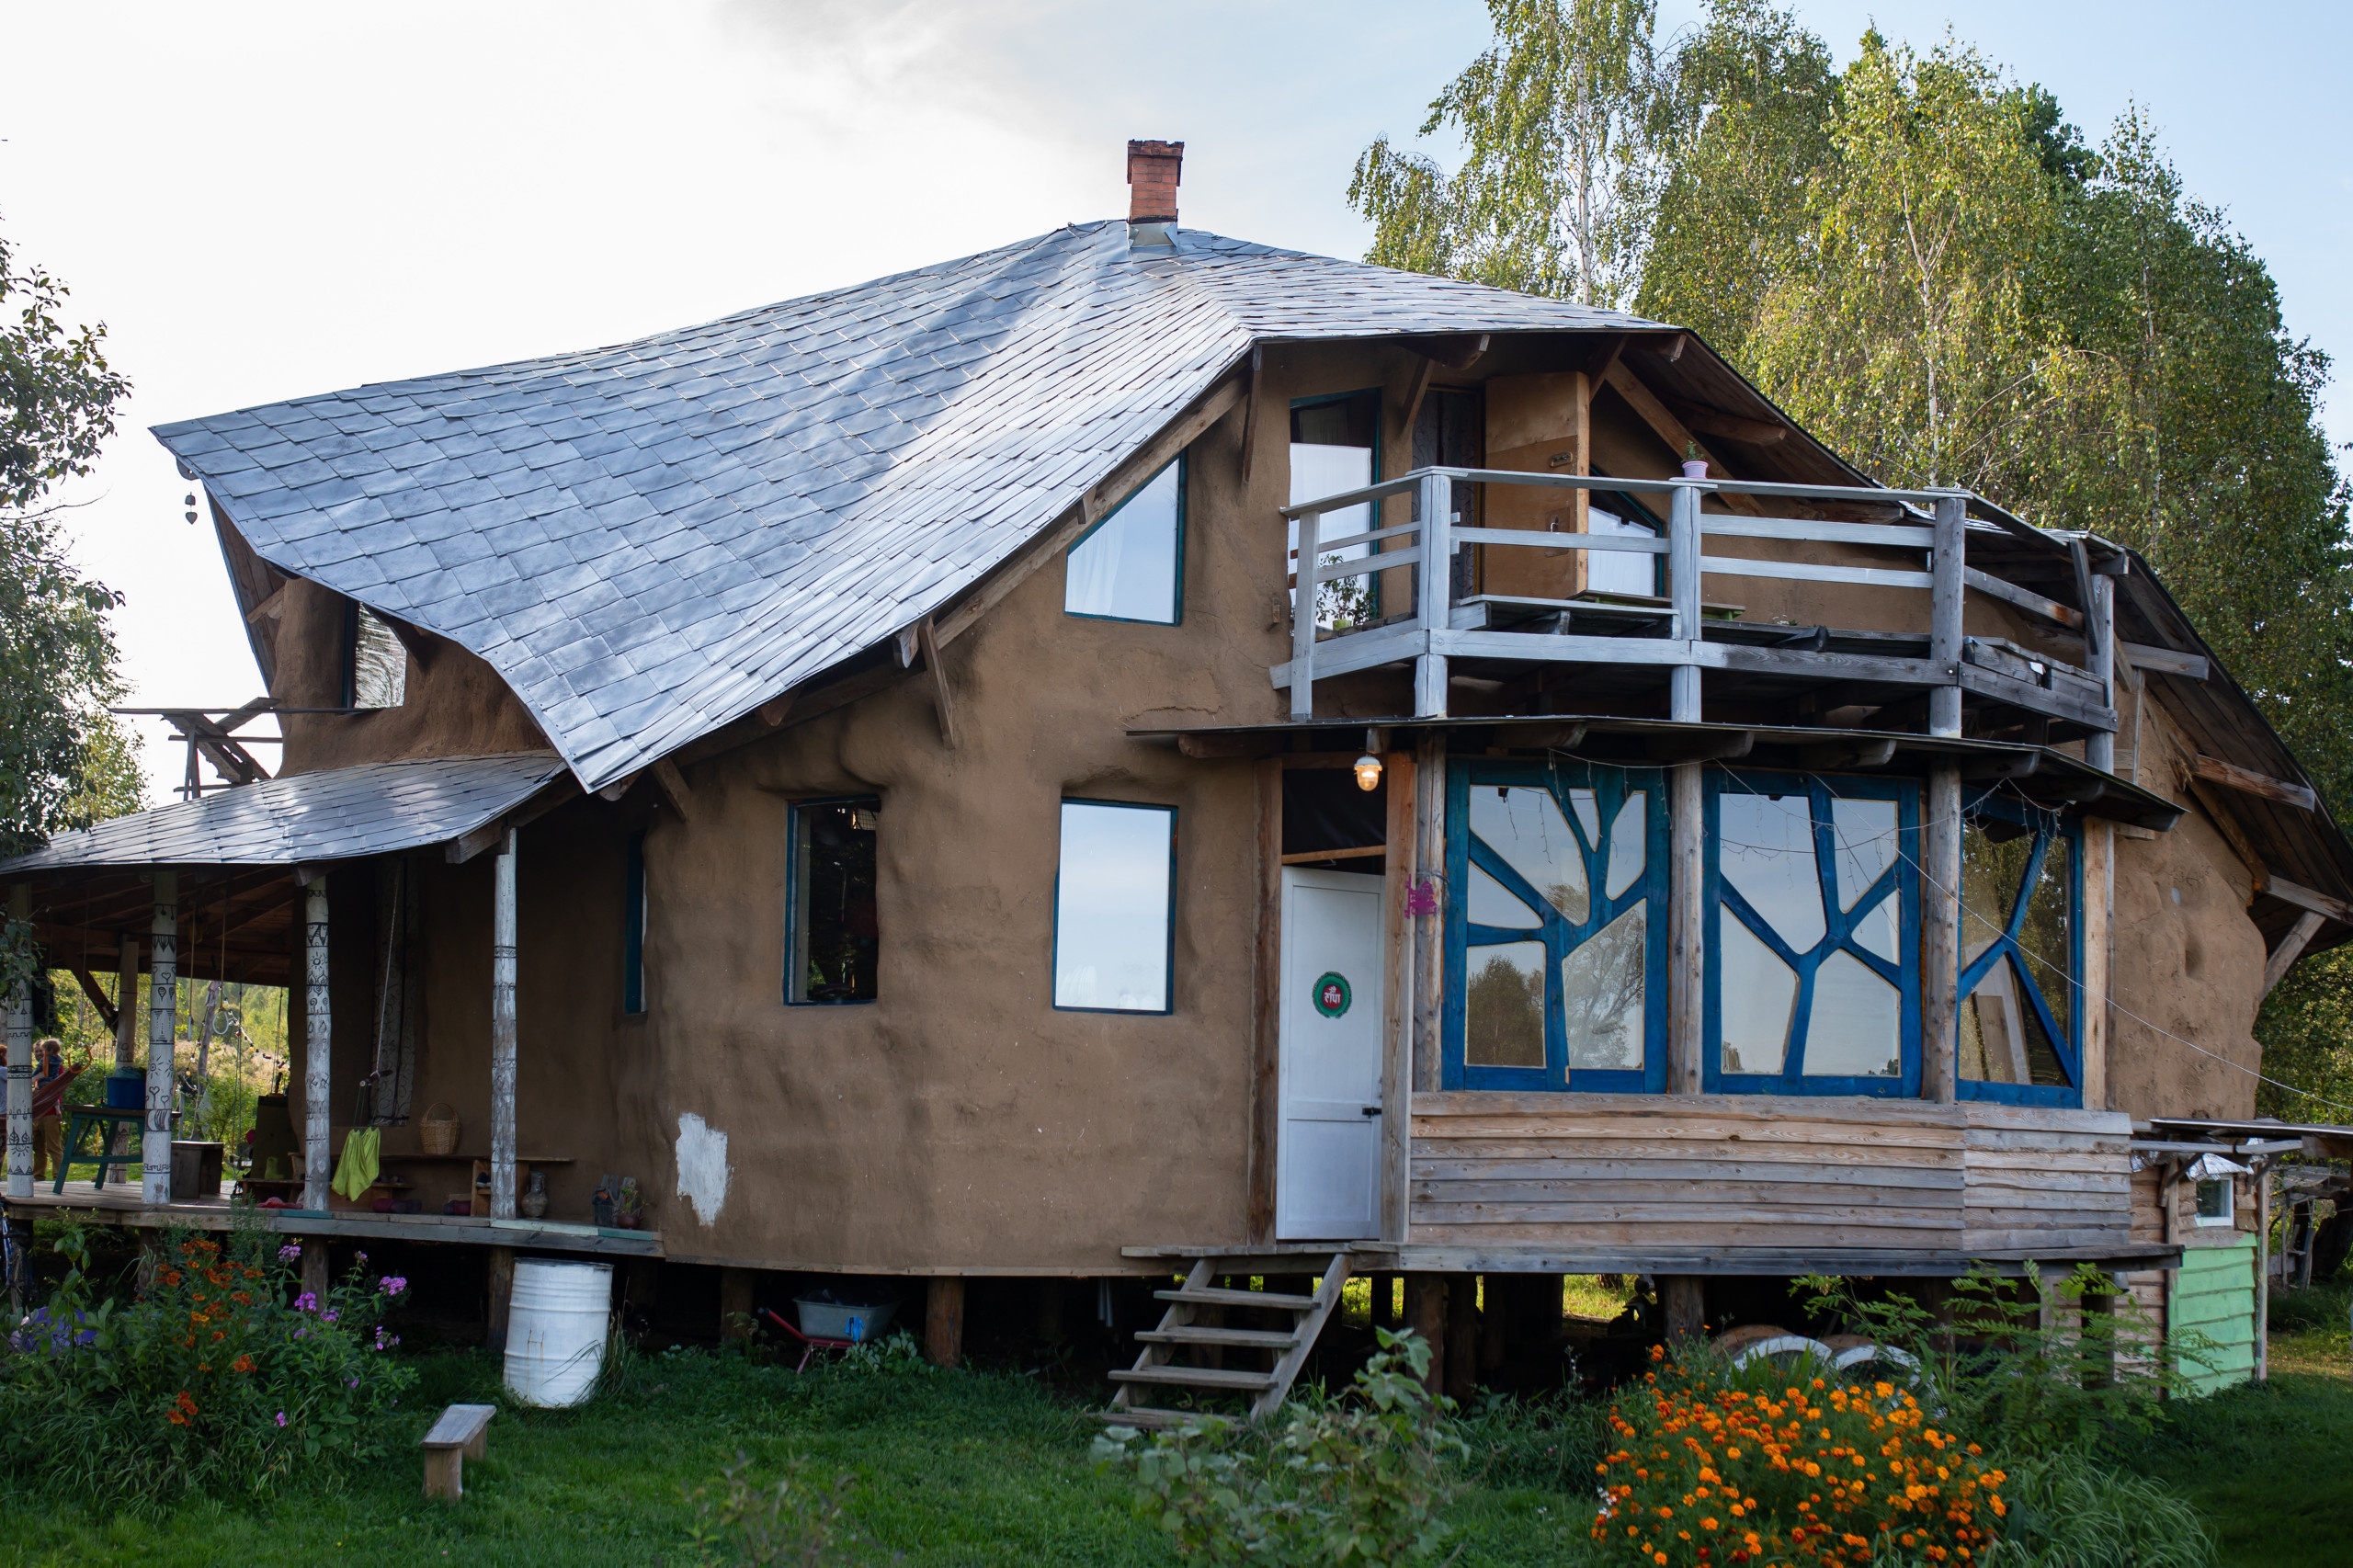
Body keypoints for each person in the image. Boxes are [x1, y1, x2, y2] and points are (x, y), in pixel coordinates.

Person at [32, 1037, 67, 1181]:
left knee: (53, 1146)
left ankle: (58, 1176)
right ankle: (38, 1175)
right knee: (38, 1146)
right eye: (36, 1051)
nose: (39, 1053)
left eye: (41, 1051)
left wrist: (57, 1107)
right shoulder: (41, 1066)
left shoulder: (55, 1066)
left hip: (51, 1110)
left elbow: (57, 1087)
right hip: (37, 1112)